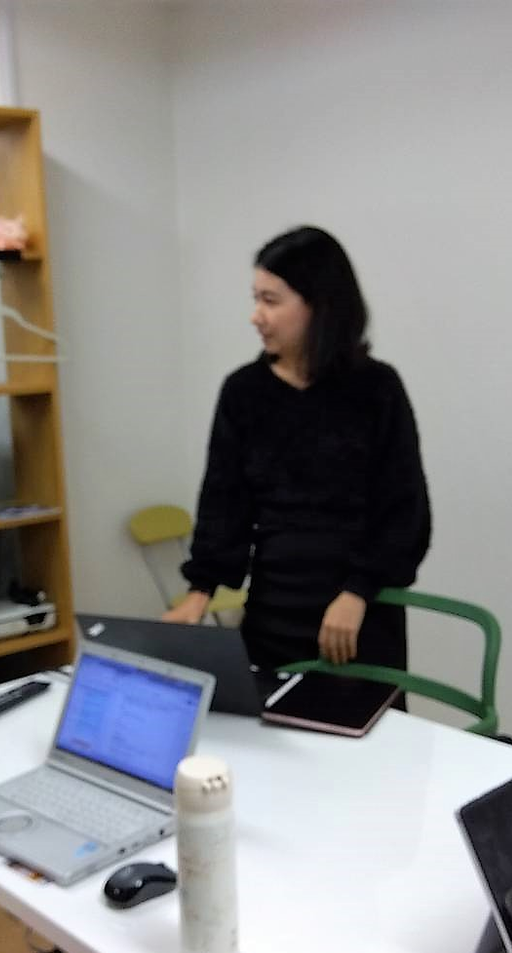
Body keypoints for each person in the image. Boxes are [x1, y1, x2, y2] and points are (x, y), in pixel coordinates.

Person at [164, 226, 431, 673]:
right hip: (272, 613)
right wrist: (199, 593)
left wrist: (357, 592)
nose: (256, 317)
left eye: (270, 301)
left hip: (359, 619)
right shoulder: (243, 392)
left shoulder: (377, 389)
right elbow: (223, 505)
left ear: (319, 305)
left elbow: (404, 511)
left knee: (358, 719)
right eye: (256, 299)